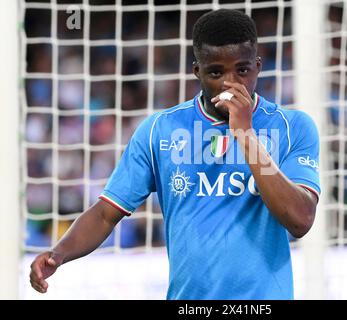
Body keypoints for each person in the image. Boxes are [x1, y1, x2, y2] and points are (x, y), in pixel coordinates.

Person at [29, 9, 320, 300]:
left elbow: (300, 219)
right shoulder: (160, 130)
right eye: (216, 72)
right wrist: (58, 253)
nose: (230, 84)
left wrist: (245, 134)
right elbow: (106, 214)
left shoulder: (292, 127)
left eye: (242, 70)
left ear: (258, 66)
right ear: (198, 71)